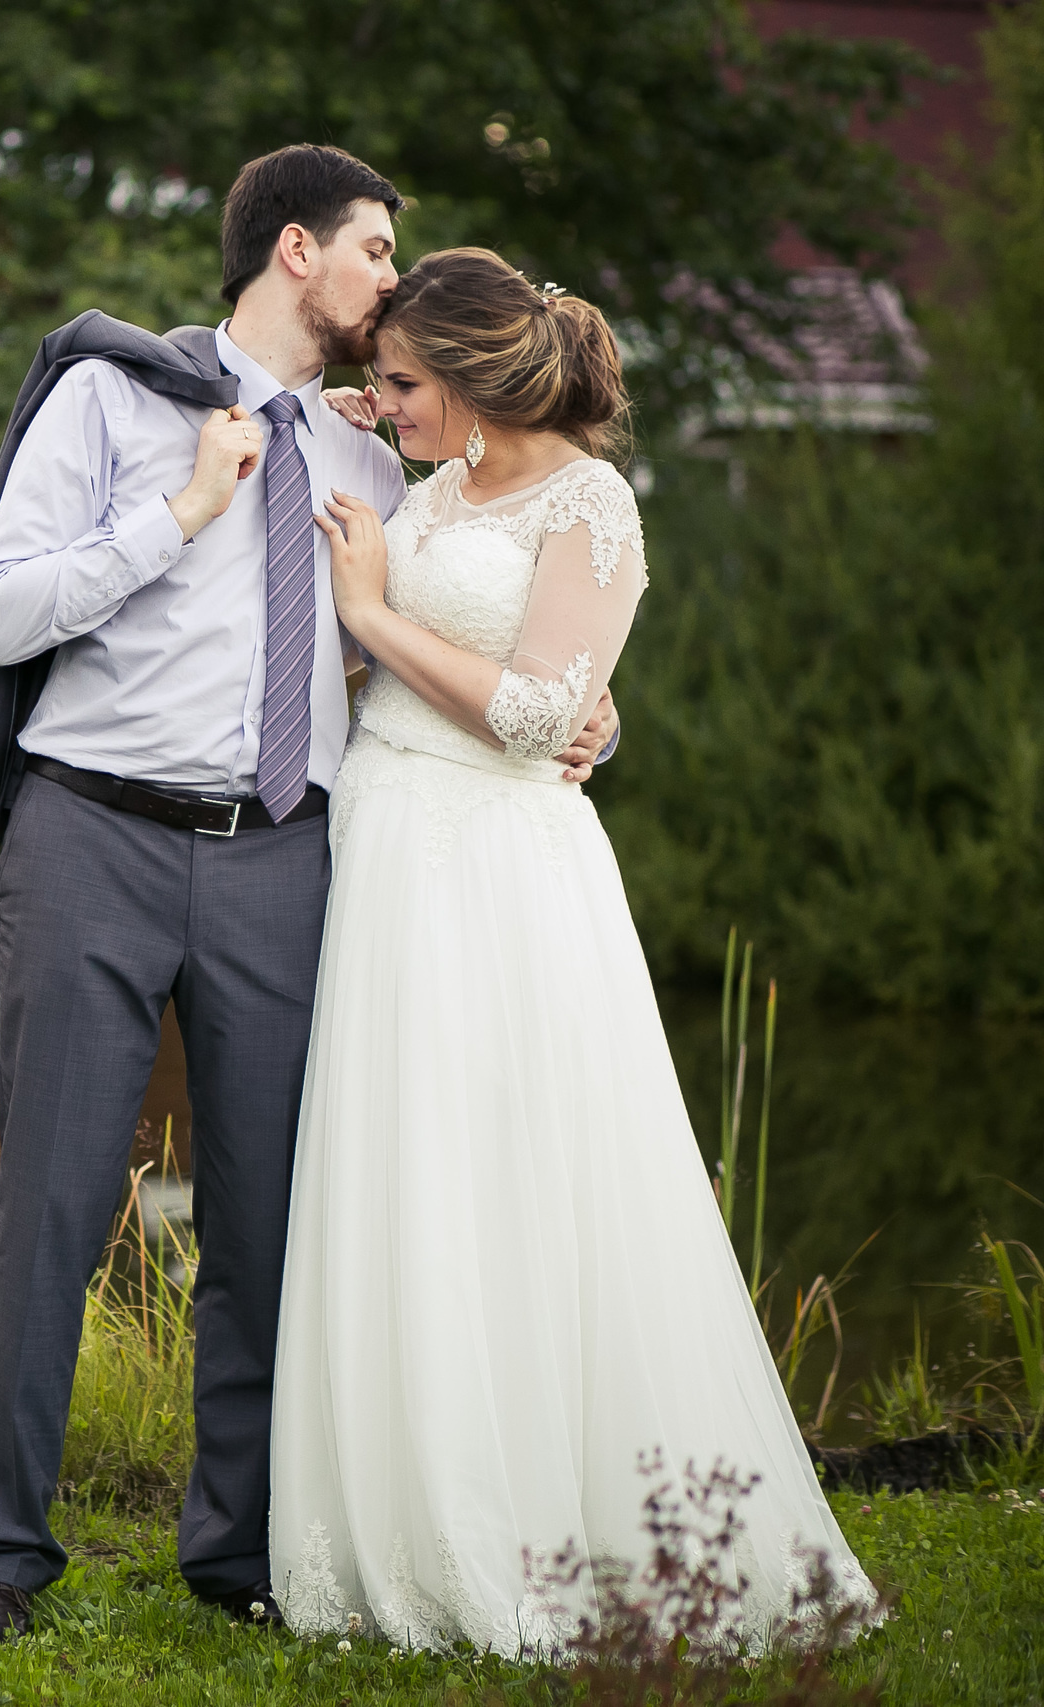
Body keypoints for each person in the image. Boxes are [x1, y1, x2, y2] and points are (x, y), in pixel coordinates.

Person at [0, 147, 617, 1651]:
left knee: (270, 1217)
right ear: (297, 251)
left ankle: (236, 1549)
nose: (394, 279)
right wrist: (179, 514)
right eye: (378, 249)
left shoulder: (386, 456)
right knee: (51, 1201)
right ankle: (6, 1559)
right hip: (92, 837)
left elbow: (475, 632)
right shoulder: (111, 397)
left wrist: (584, 714)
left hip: (285, 860)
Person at [271, 247, 880, 1656]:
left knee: (523, 1178)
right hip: (387, 857)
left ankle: (558, 1517)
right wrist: (367, 445)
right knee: (403, 1175)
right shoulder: (424, 486)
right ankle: (398, 1522)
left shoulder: (589, 499)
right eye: (380, 380)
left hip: (499, 870)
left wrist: (373, 618)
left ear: (481, 381)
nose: (386, 398)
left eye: (407, 381)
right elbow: (474, 665)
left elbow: (546, 711)